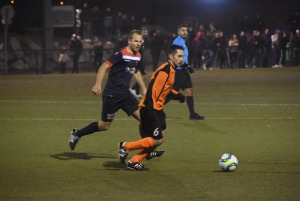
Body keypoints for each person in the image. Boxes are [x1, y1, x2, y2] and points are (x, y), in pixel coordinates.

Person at [69, 30, 148, 151]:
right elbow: (104, 66)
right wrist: (98, 84)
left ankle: (146, 149)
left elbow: (136, 71)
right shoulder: (121, 54)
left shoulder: (138, 55)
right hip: (112, 94)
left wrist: (144, 88)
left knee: (144, 118)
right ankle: (77, 133)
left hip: (125, 94)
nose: (138, 44)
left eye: (140, 41)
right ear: (129, 41)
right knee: (104, 126)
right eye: (135, 41)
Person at [118, 44, 186, 170]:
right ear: (171, 56)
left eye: (183, 56)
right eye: (179, 56)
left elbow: (167, 89)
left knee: (159, 139)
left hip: (157, 109)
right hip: (151, 108)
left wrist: (178, 96)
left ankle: (134, 161)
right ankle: (126, 146)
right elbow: (152, 91)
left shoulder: (172, 69)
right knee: (157, 139)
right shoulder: (164, 71)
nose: (182, 59)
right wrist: (151, 110)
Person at [166, 24, 205, 120]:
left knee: (189, 91)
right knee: (172, 93)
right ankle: (154, 109)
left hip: (183, 71)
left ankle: (192, 114)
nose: (185, 32)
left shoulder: (182, 41)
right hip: (178, 71)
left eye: (186, 30)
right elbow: (177, 57)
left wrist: (186, 67)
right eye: (182, 30)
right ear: (178, 32)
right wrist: (187, 66)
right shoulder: (178, 42)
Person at [130, 27, 149, 98]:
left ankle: (136, 92)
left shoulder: (143, 40)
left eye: (146, 32)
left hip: (139, 60)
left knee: (140, 76)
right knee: (144, 76)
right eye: (144, 32)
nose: (146, 33)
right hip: (139, 60)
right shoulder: (140, 40)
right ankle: (132, 89)